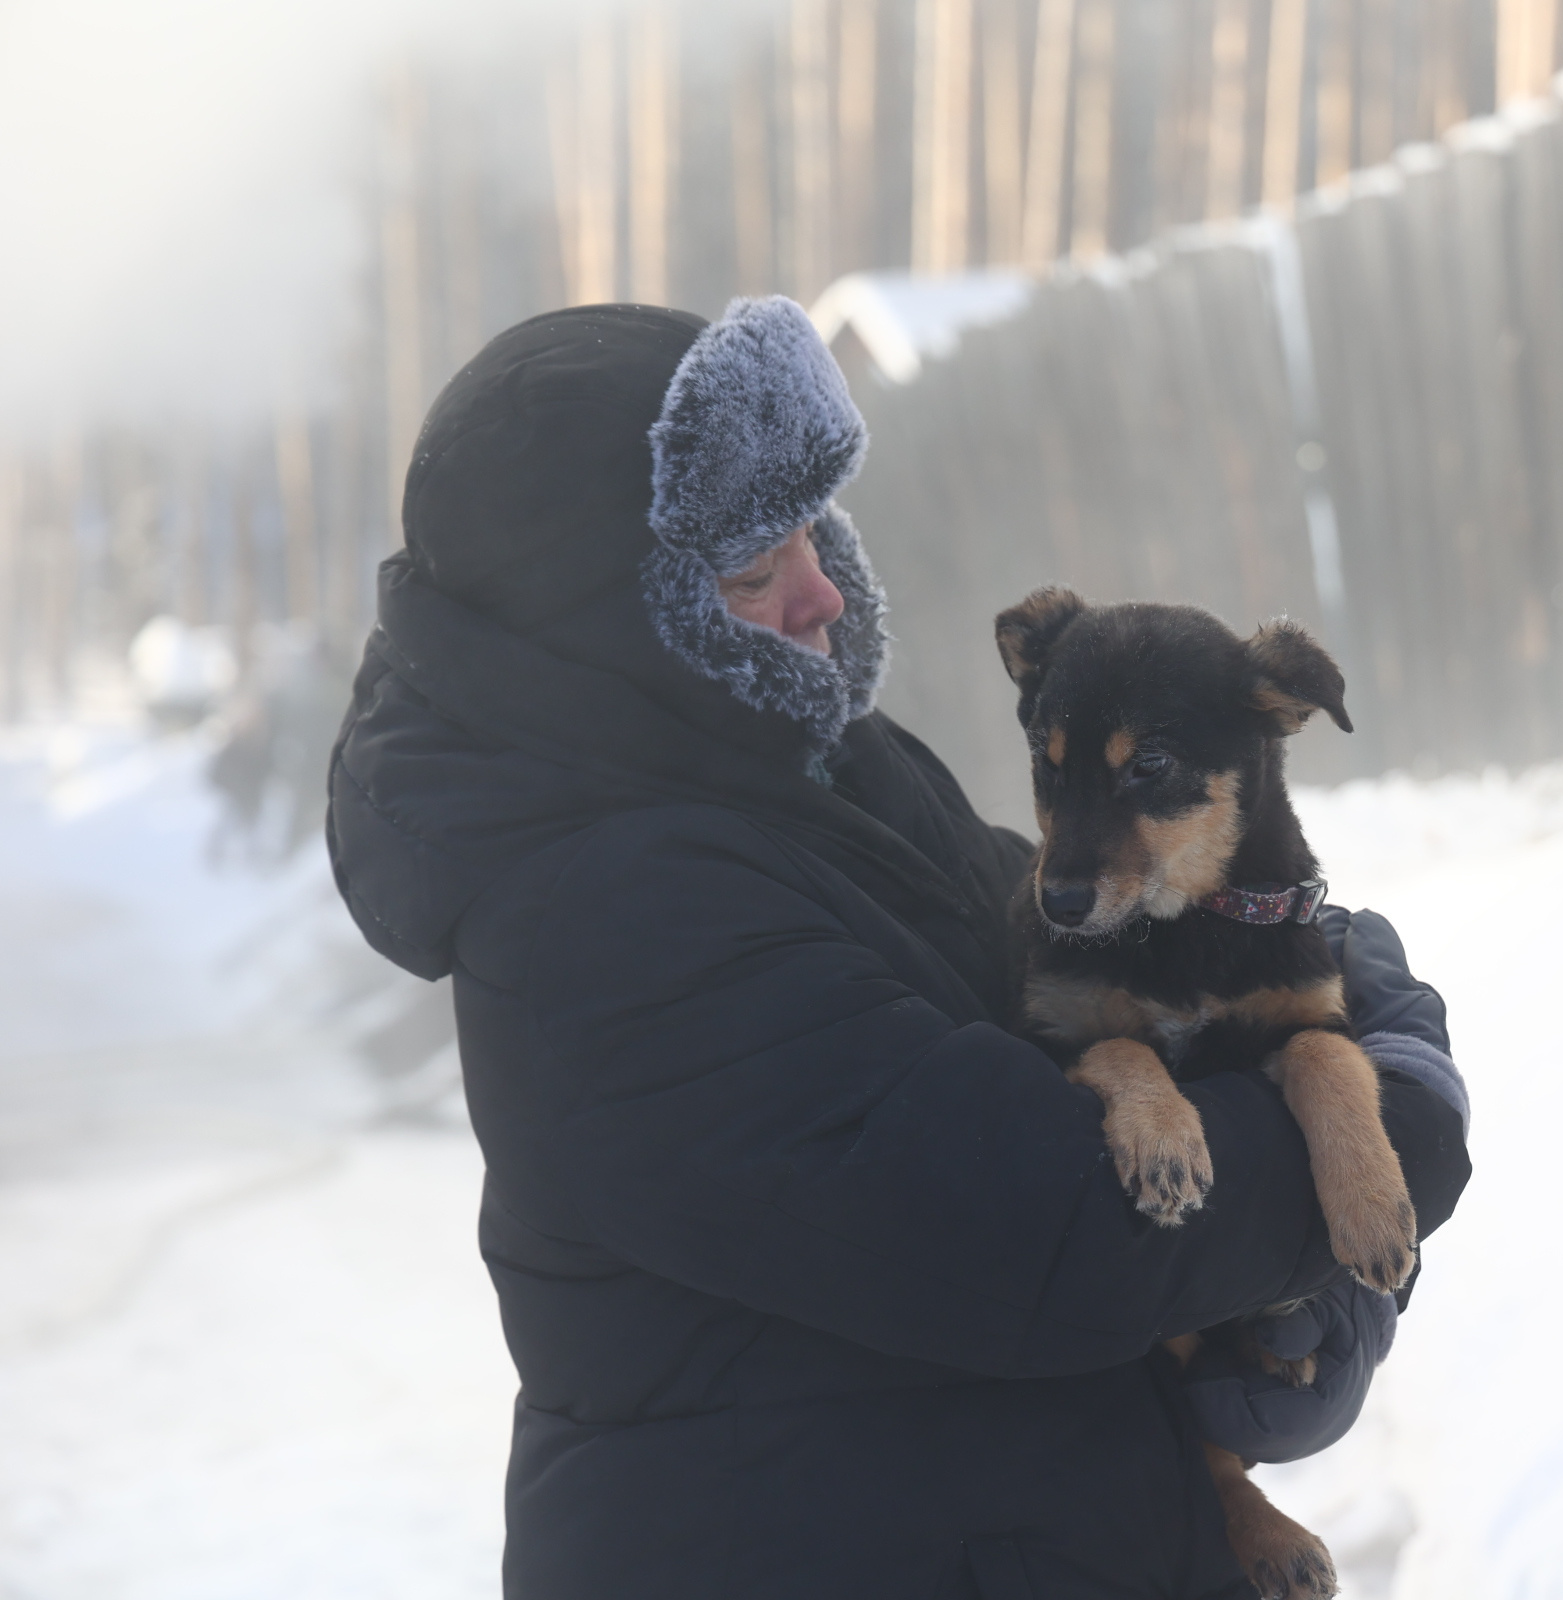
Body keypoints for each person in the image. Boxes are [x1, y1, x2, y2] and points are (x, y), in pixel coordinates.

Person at [325, 297, 1470, 1597]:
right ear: (617, 623)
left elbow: (1094, 958)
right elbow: (1037, 1232)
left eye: (810, 523)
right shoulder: (599, 913)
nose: (819, 589)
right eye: (750, 570)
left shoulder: (825, 773)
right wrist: (1393, 1120)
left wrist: (1330, 1022)